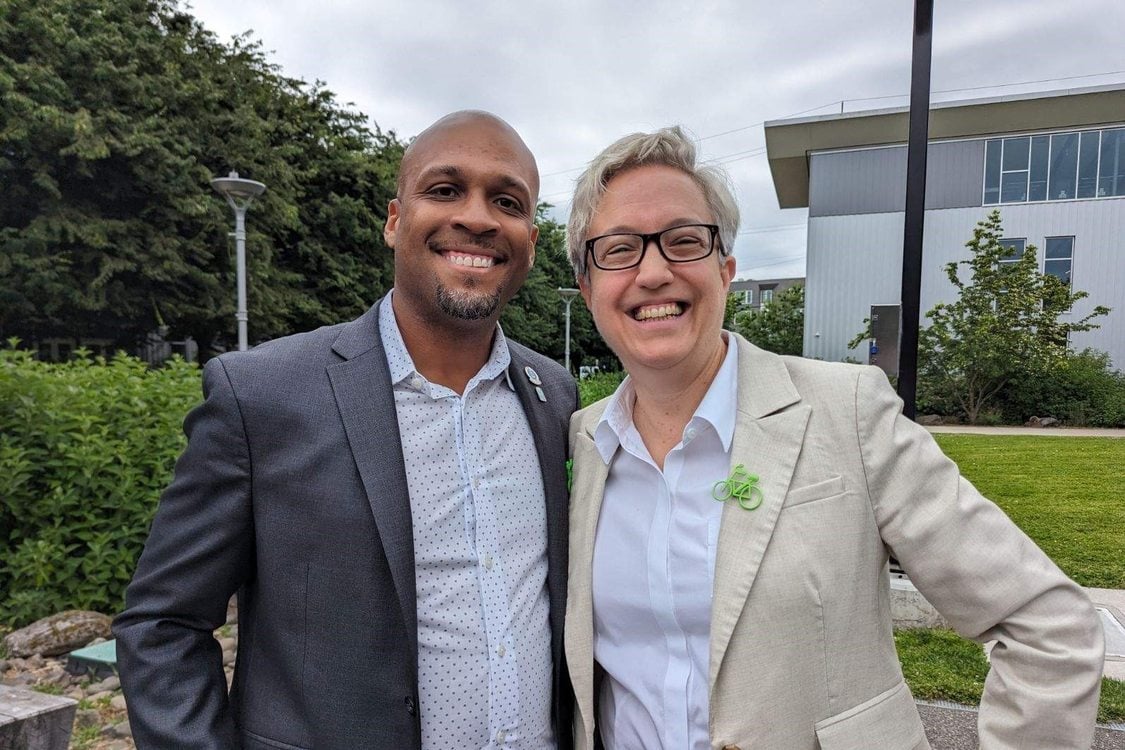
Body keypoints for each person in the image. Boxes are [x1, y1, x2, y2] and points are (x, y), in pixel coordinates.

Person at [561, 126, 1104, 750]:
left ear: (726, 270)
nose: (654, 272)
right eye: (620, 249)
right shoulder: (584, 439)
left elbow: (1048, 627)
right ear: (588, 288)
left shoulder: (845, 409)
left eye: (684, 241)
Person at [114, 111, 577, 750]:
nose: (478, 217)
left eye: (508, 201)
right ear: (394, 220)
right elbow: (163, 625)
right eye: (444, 190)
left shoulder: (554, 397)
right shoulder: (262, 395)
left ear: (529, 234)